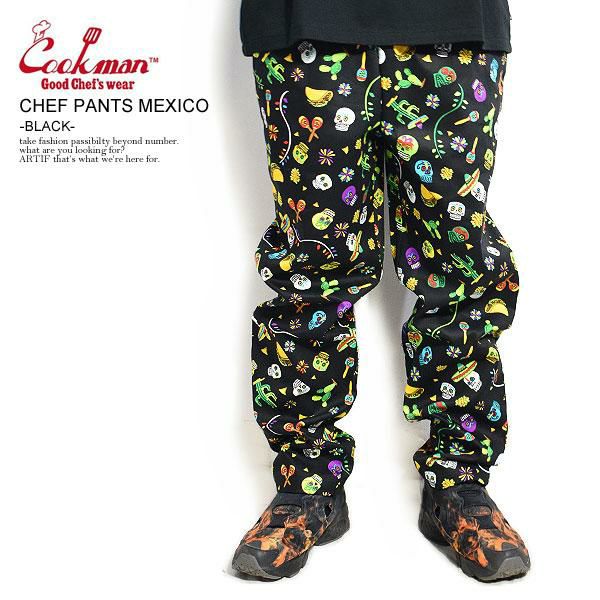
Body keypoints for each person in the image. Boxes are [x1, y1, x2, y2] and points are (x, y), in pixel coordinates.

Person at [232, 0, 530, 582]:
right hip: (305, 26)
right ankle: (306, 485)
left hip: (454, 28)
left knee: (459, 267)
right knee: (310, 268)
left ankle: (459, 486)